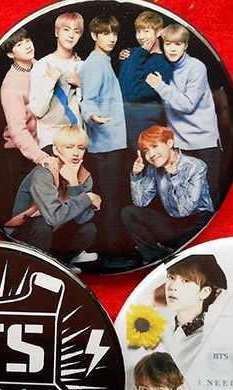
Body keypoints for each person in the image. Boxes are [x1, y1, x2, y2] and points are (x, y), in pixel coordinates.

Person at [4, 125, 100, 271]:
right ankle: (38, 268)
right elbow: (53, 218)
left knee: (89, 229)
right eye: (69, 147)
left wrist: (74, 183)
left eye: (81, 148)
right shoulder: (43, 173)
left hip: (55, 230)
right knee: (43, 224)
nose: (76, 153)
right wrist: (87, 198)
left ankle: (62, 264)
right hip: (24, 233)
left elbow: (83, 219)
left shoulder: (85, 176)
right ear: (56, 150)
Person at [147, 23, 222, 207]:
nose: (172, 49)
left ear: (185, 45)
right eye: (168, 44)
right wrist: (126, 55)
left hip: (204, 143)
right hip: (180, 145)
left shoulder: (196, 67)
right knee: (185, 199)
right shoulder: (164, 67)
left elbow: (187, 105)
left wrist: (160, 86)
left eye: (178, 44)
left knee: (208, 199)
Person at [79, 15, 133, 262]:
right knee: (110, 201)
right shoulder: (94, 64)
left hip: (112, 142)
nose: (111, 38)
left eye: (114, 33)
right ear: (94, 35)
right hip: (104, 145)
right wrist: (92, 116)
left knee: (114, 198)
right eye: (105, 33)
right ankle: (112, 253)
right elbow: (88, 100)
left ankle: (114, 249)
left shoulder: (104, 61)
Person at [121, 125, 213, 264]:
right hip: (173, 222)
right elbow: (140, 202)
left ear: (169, 143)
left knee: (189, 241)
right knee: (129, 213)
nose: (151, 154)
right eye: (146, 151)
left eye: (154, 146)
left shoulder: (195, 166)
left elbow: (185, 210)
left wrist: (175, 176)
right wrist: (136, 175)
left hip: (196, 222)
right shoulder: (153, 168)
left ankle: (175, 251)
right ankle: (154, 256)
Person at [0, 28, 57, 177]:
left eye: (28, 41)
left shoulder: (41, 66)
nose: (27, 46)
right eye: (19, 44)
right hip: (24, 151)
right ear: (10, 54)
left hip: (46, 143)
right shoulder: (11, 86)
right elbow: (17, 130)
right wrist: (41, 157)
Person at [28, 12, 84, 153]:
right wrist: (50, 80)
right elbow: (38, 110)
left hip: (76, 139)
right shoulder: (42, 65)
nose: (71, 35)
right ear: (56, 32)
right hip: (50, 140)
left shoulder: (82, 66)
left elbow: (88, 109)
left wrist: (80, 85)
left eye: (76, 31)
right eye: (66, 29)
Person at [118, 11, 174, 148]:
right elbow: (121, 87)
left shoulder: (164, 65)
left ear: (159, 32)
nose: (141, 36)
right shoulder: (132, 54)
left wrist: (137, 55)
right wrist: (135, 55)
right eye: (138, 31)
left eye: (146, 31)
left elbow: (134, 95)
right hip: (122, 128)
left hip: (146, 129)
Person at [159, 254, 226, 368]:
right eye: (171, 277)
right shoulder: (162, 329)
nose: (172, 286)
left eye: (185, 281)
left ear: (204, 292)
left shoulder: (209, 335)